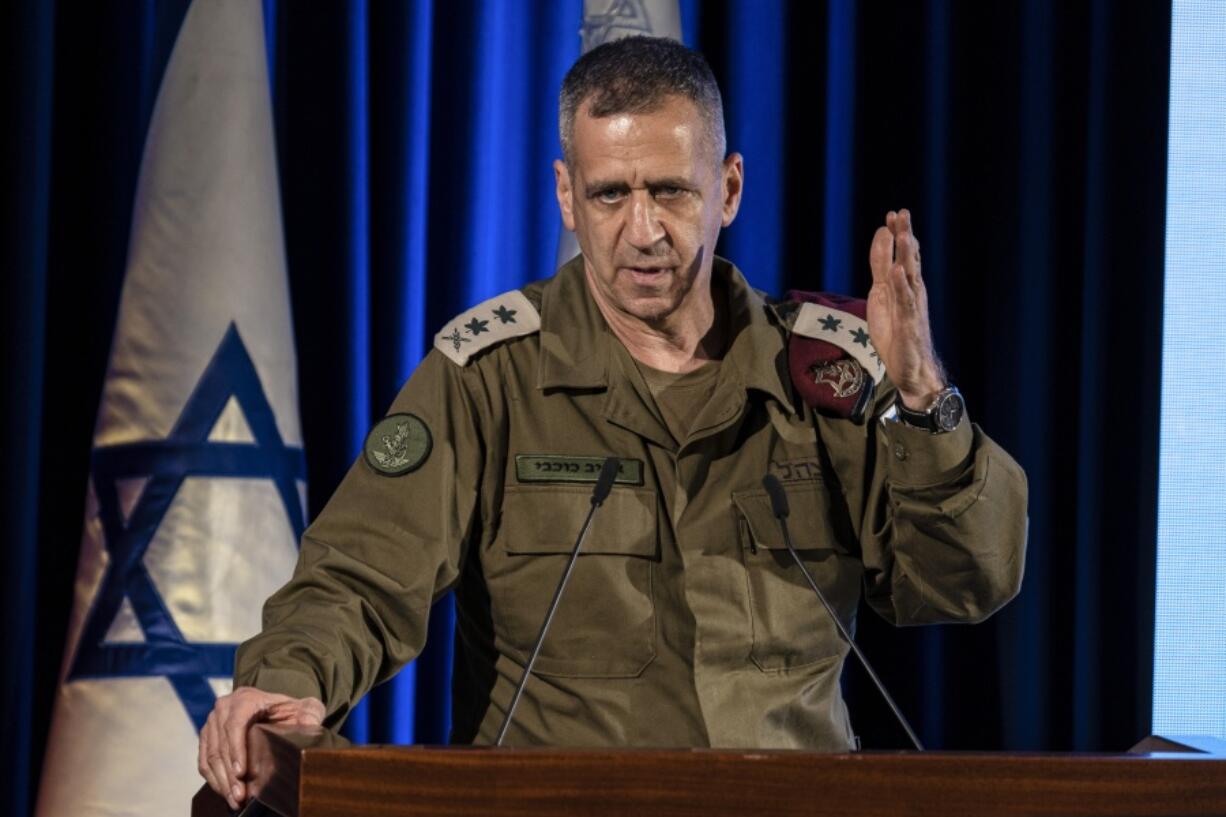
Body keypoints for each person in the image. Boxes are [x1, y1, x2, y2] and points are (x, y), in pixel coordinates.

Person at [198, 36, 1026, 810]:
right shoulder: (490, 375)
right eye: (610, 194)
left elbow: (964, 581)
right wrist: (285, 676)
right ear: (566, 195)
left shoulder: (827, 374)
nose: (643, 230)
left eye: (670, 189)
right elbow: (357, 578)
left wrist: (924, 398)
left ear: (728, 189)